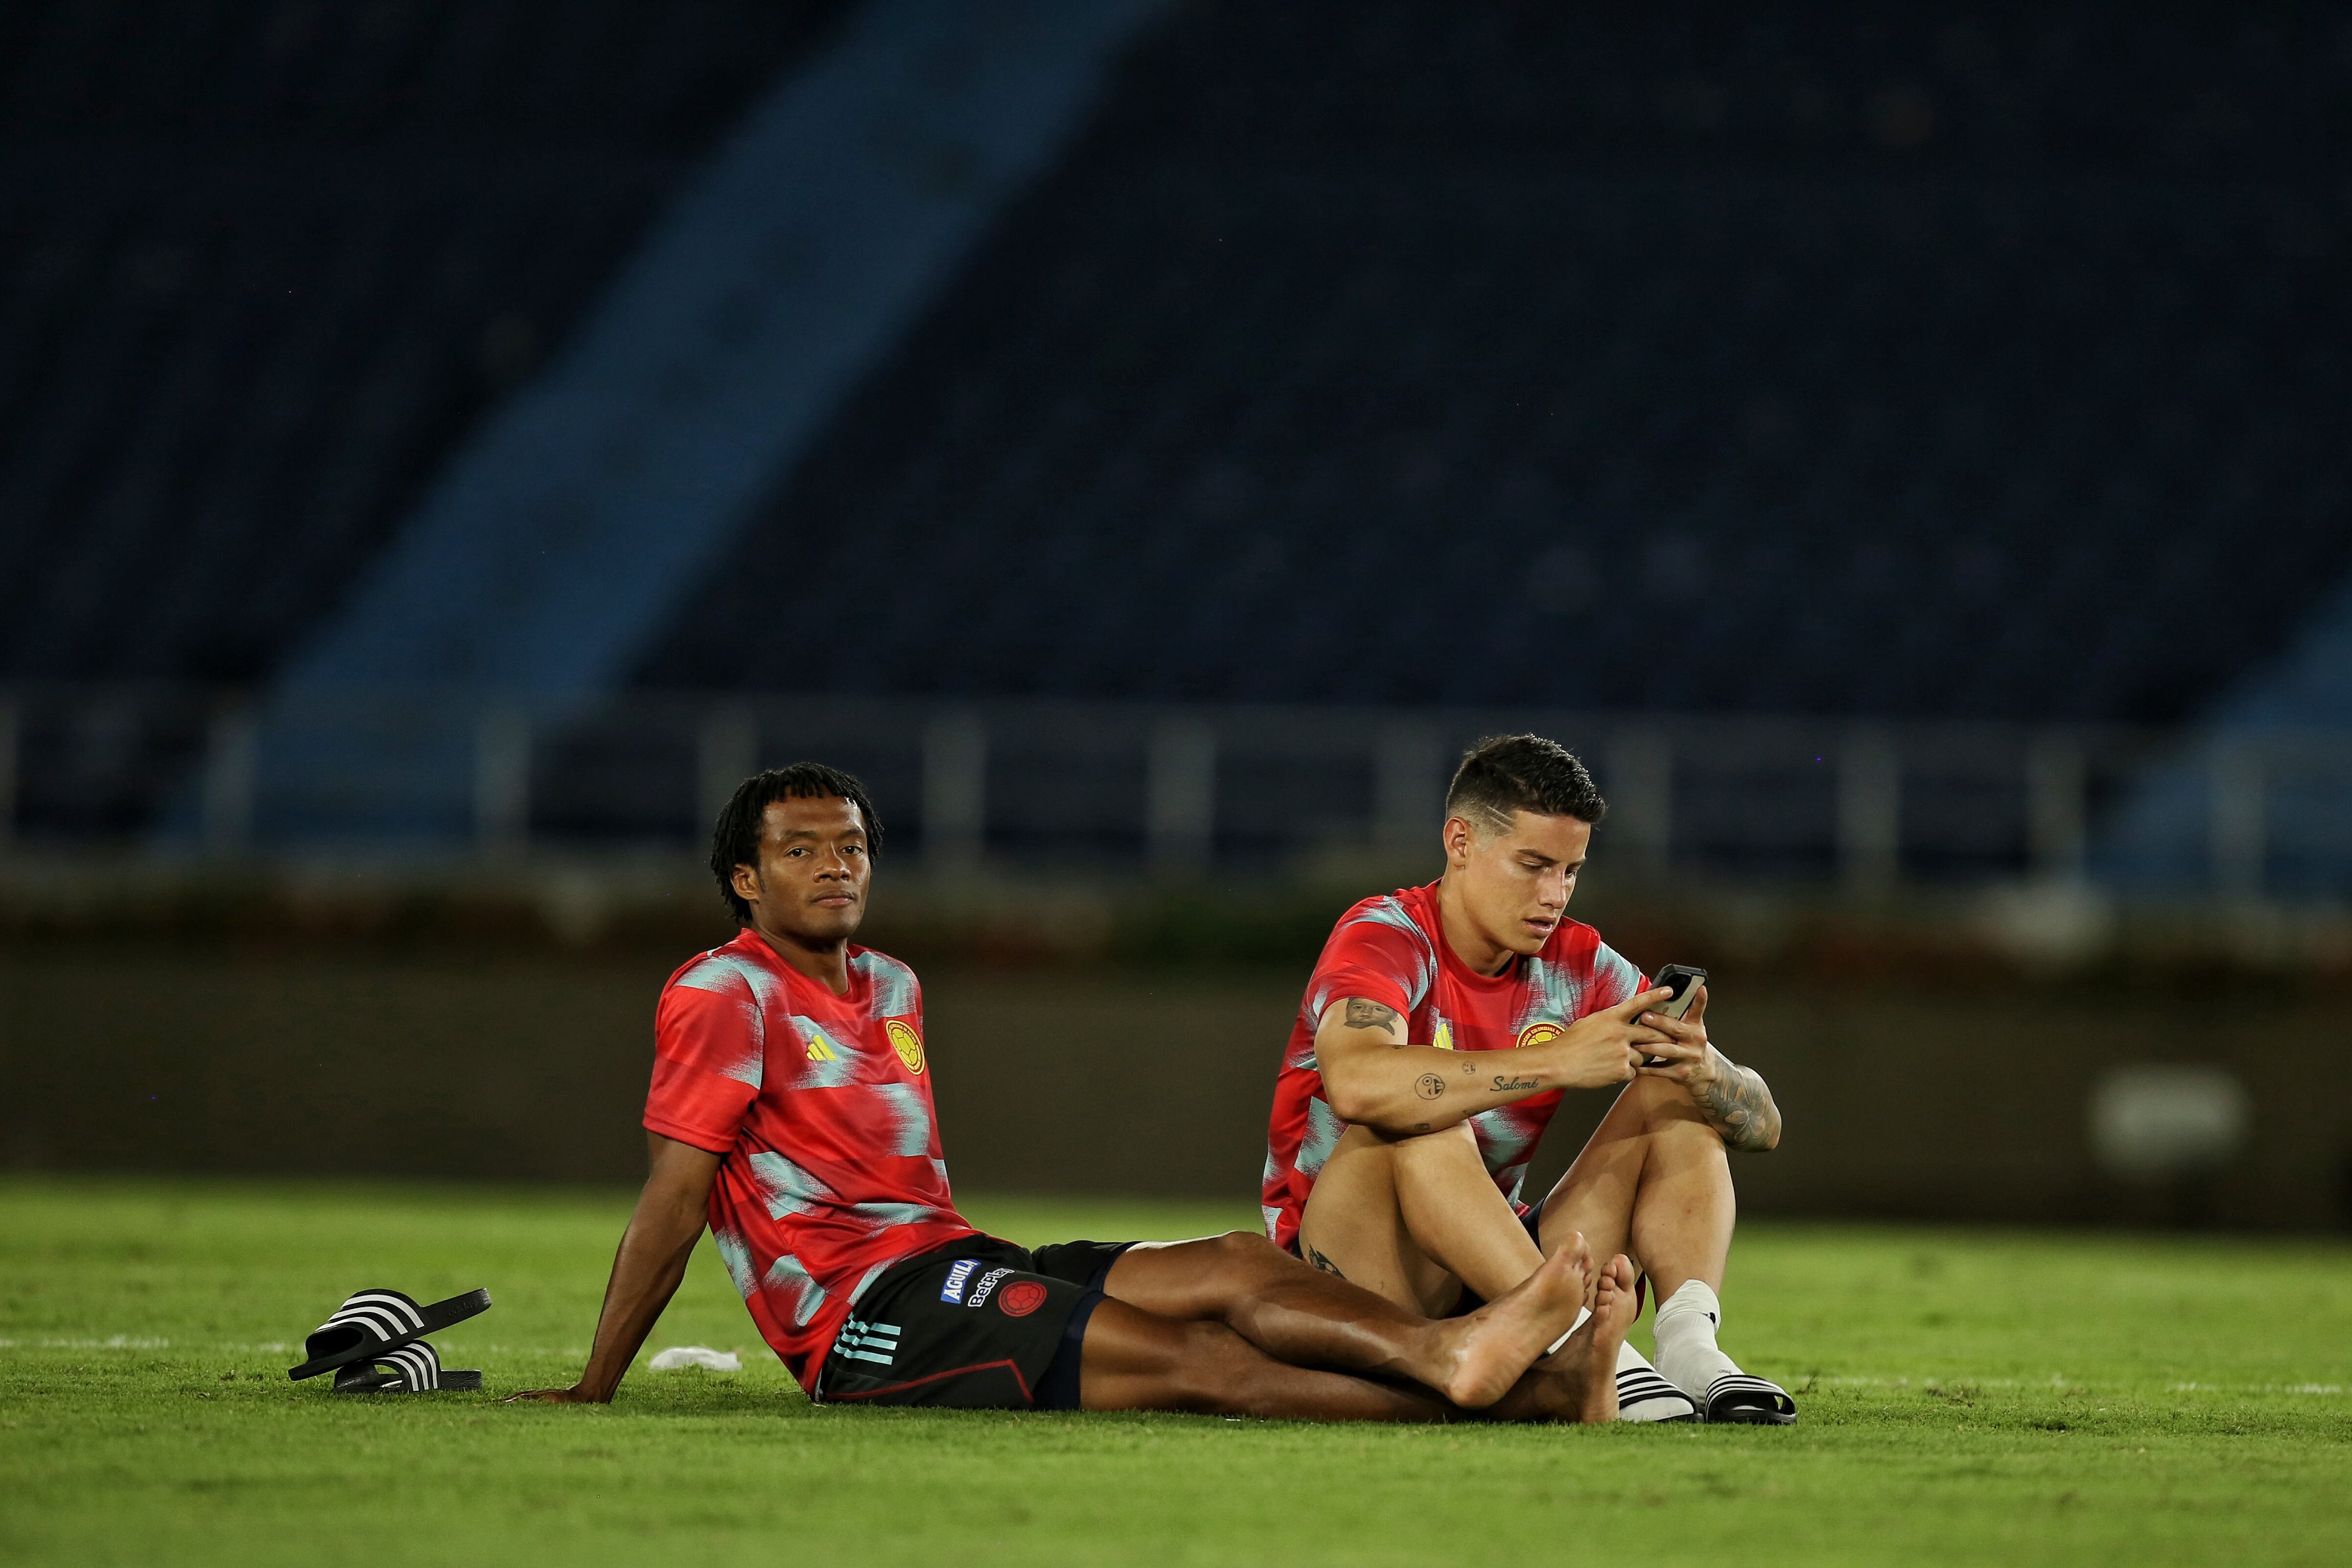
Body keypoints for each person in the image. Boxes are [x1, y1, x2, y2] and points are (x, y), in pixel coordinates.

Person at [511, 763, 1636, 1421]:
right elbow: (676, 1194)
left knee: (1239, 1265)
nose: (838, 866)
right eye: (802, 852)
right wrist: (594, 1386)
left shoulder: (890, 983)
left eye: (851, 846)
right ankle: (1478, 1368)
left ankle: (1502, 1361)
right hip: (863, 1319)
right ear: (747, 883)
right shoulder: (723, 992)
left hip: (949, 1258)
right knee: (1198, 1367)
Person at [1261, 733, 1796, 1424]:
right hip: (1349, 1277)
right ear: (1459, 843)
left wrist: (1704, 1067)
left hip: (1493, 1269)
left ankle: (1689, 1348)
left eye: (1569, 872)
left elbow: (1764, 1128)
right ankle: (1582, 1346)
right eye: (1532, 865)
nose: (1552, 896)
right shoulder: (1386, 935)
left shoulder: (1578, 961)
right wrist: (1555, 1061)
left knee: (1670, 1086)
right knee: (1421, 1120)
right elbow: (1359, 1086)